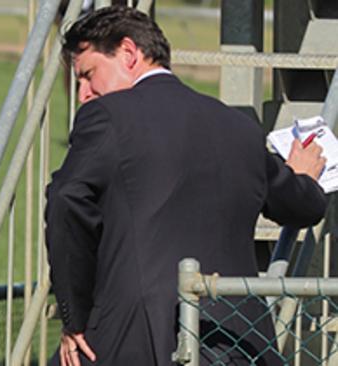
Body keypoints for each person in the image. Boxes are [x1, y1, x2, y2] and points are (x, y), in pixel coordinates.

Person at [45, 6, 327, 366]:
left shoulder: (107, 116)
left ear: (129, 53)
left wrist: (75, 317)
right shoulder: (238, 127)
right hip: (238, 343)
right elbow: (302, 207)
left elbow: (66, 199)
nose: (83, 93)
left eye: (88, 75)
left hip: (137, 338)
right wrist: (303, 178)